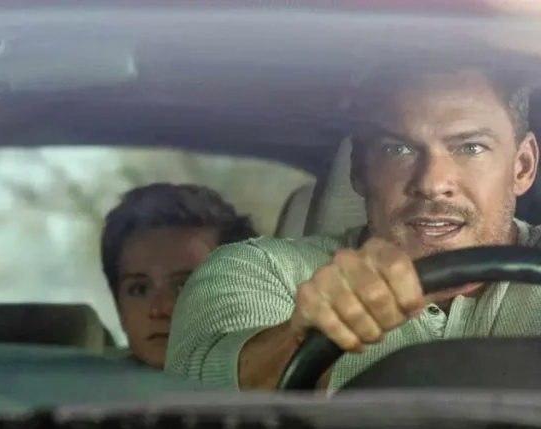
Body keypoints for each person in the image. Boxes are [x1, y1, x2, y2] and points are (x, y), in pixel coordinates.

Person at [165, 62, 541, 391]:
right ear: (359, 170)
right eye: (399, 149)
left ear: (522, 166)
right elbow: (199, 406)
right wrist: (302, 337)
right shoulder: (261, 270)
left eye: (470, 147)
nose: (432, 182)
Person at [101, 183, 258, 369]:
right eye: (139, 289)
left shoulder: (273, 387)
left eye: (184, 286)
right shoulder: (89, 393)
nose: (159, 309)